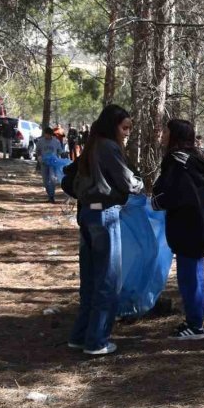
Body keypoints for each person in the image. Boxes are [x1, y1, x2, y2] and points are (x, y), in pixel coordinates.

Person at [68, 104, 143, 356]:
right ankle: (97, 340)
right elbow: (127, 181)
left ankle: (80, 335)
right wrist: (140, 184)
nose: (127, 133)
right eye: (124, 128)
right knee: (108, 279)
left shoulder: (92, 145)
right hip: (104, 215)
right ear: (113, 126)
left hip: (88, 213)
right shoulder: (109, 147)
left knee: (90, 278)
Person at [151, 119, 204, 340]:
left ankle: (196, 326)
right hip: (199, 227)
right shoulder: (193, 159)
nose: (162, 135)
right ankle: (194, 321)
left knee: (190, 279)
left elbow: (174, 193)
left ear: (175, 135)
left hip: (188, 228)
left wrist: (156, 200)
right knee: (194, 277)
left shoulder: (177, 161)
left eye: (166, 131)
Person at [35, 126, 65, 203]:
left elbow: (60, 151)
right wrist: (39, 157)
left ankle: (52, 196)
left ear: (51, 134)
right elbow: (37, 150)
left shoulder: (56, 141)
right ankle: (49, 195)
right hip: (44, 163)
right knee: (45, 181)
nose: (47, 136)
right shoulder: (40, 141)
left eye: (48, 134)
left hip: (53, 163)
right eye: (46, 134)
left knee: (52, 179)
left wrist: (61, 160)